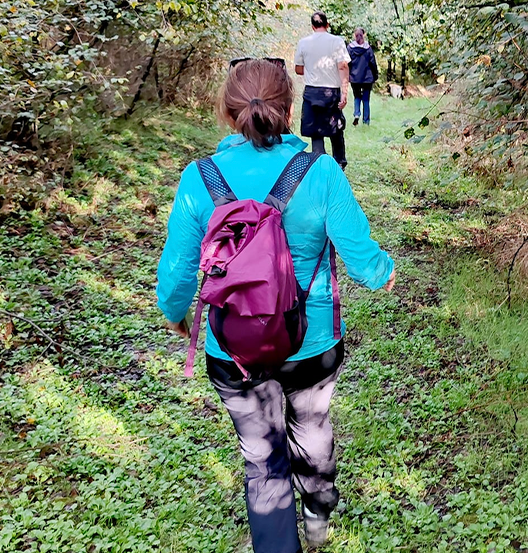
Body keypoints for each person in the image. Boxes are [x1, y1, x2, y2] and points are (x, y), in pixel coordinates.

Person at [156, 58, 396, 553]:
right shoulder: (320, 170)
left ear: (228, 113)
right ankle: (317, 514)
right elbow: (357, 251)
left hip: (234, 346)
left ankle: (276, 543)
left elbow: (177, 274)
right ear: (290, 110)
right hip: (312, 339)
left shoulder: (199, 178)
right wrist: (382, 273)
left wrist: (176, 313)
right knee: (312, 425)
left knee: (262, 457)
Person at [294, 11, 351, 169]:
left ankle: (320, 164)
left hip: (312, 91)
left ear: (312, 26)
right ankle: (339, 164)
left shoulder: (303, 42)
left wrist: (312, 69)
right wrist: (344, 93)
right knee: (336, 128)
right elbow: (343, 66)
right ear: (327, 25)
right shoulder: (337, 41)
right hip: (331, 91)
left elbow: (298, 69)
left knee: (315, 130)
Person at [347, 28, 378, 126]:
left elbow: (347, 63)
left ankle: (356, 114)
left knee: (357, 96)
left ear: (354, 36)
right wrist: (375, 75)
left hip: (355, 78)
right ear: (363, 35)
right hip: (367, 78)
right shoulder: (368, 48)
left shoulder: (350, 48)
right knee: (366, 99)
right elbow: (372, 63)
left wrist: (348, 75)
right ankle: (366, 121)